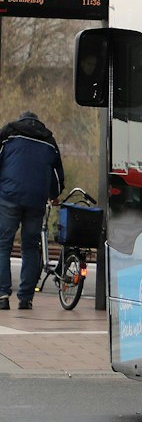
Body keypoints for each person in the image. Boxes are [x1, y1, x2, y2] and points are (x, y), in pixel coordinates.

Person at [0, 109, 65, 310]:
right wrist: (54, 195)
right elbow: (56, 175)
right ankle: (26, 299)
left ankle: (2, 295)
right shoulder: (49, 140)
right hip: (36, 200)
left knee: (3, 245)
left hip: (9, 196)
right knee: (30, 247)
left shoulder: (9, 133)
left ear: (22, 120)